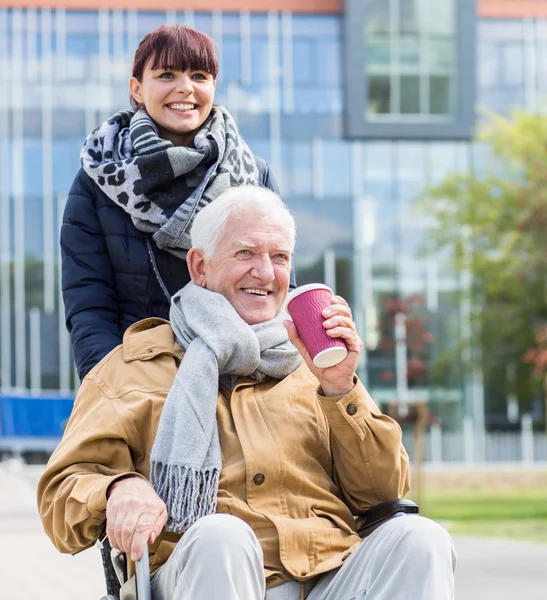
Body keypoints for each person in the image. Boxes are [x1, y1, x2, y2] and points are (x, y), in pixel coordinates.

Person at [39, 186, 456, 600]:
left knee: (420, 539)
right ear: (199, 266)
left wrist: (341, 388)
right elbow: (61, 498)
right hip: (206, 574)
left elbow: (384, 494)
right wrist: (115, 489)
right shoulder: (133, 368)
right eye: (245, 253)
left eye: (280, 257)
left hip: (330, 577)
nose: (265, 272)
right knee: (222, 535)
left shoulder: (313, 362)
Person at [61, 24, 289, 383]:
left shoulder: (252, 175)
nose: (185, 87)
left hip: (240, 381)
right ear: (137, 88)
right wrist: (110, 389)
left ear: (213, 87)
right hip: (139, 383)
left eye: (199, 75)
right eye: (167, 74)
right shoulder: (99, 178)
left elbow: (278, 284)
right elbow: (89, 302)